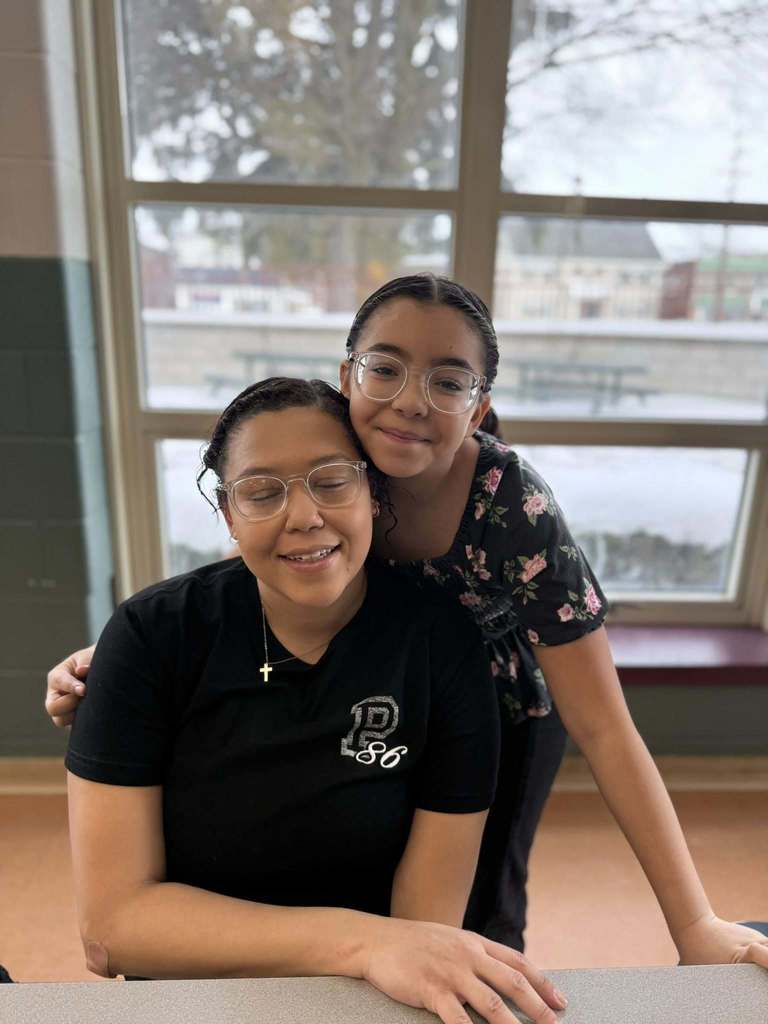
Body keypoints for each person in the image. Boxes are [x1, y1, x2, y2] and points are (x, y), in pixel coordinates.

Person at [48, 275, 768, 970]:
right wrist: (124, 659)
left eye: (449, 381)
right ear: (348, 376)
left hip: (490, 697)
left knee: (480, 902)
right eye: (385, 369)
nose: (410, 403)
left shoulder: (512, 507)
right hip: (356, 670)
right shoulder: (336, 441)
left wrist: (693, 921)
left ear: (479, 407)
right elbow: (257, 553)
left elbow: (607, 728)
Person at [62, 377, 567, 1024]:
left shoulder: (440, 644)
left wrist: (384, 953)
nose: (303, 516)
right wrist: (364, 942)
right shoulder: (151, 638)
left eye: (331, 480)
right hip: (194, 997)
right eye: (261, 492)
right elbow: (112, 928)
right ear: (228, 514)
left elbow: (425, 925)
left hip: (367, 999)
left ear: (371, 491)